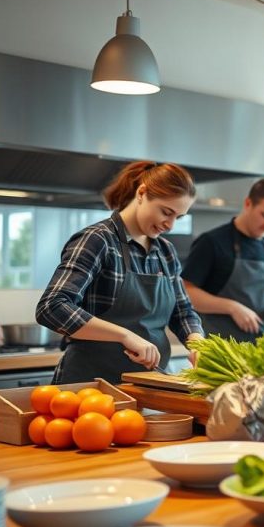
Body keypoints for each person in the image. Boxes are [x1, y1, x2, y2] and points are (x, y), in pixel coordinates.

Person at [36, 162, 204, 384]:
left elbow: (182, 312)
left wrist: (198, 344)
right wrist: (124, 335)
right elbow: (52, 307)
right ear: (141, 193)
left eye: (178, 217)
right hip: (89, 388)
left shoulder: (166, 252)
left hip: (147, 385)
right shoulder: (98, 239)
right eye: (166, 212)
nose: (170, 225)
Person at [182, 179, 264, 342]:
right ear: (248, 204)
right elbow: (187, 292)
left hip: (262, 348)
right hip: (221, 349)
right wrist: (232, 307)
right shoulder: (212, 242)